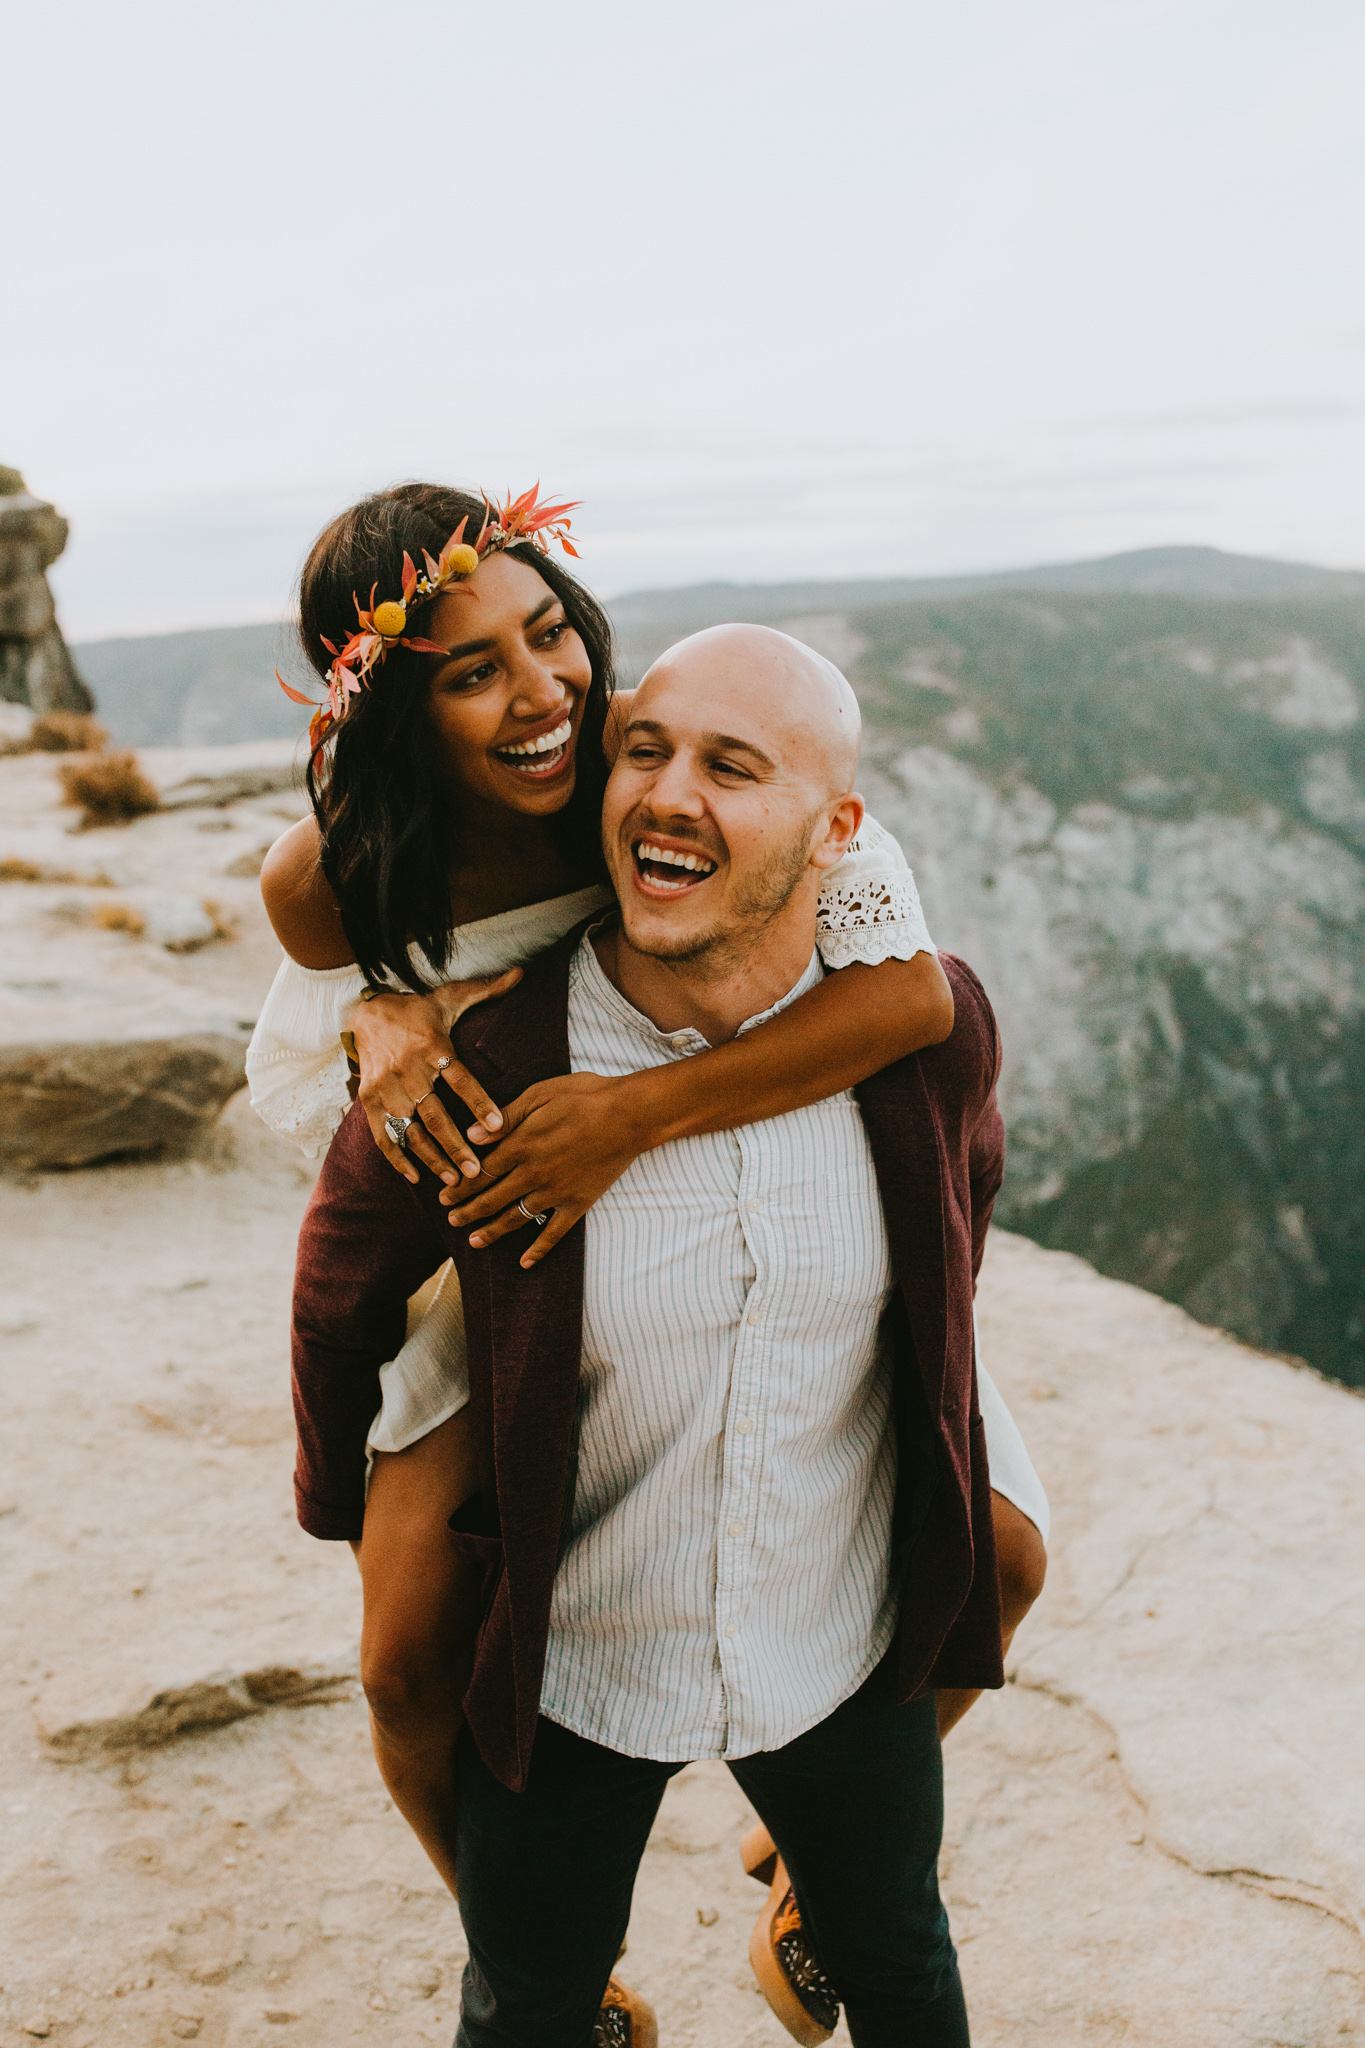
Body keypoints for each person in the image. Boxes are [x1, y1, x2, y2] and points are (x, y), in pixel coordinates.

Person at [252, 483, 1046, 2038]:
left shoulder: (674, 740)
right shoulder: (338, 871)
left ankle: (821, 1871)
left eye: (549, 635)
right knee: (416, 1653)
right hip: (486, 1185)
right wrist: (383, 1017)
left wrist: (633, 1118)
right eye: (469, 670)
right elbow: (350, 1115)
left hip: (640, 1110)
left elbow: (909, 1009)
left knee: (998, 1561)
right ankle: (528, 1946)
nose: (540, 693)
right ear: (397, 710)